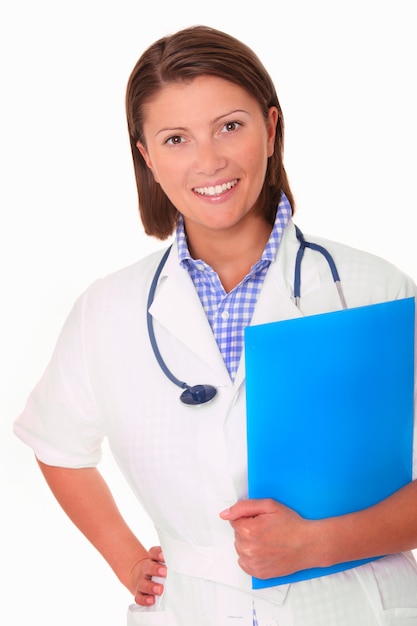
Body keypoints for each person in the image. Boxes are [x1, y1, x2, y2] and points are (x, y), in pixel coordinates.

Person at [14, 25, 417, 626]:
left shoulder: (371, 288)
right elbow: (56, 444)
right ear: (147, 157)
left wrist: (320, 545)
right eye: (176, 138)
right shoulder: (107, 310)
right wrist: (127, 559)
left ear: (272, 128)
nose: (209, 161)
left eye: (230, 126)